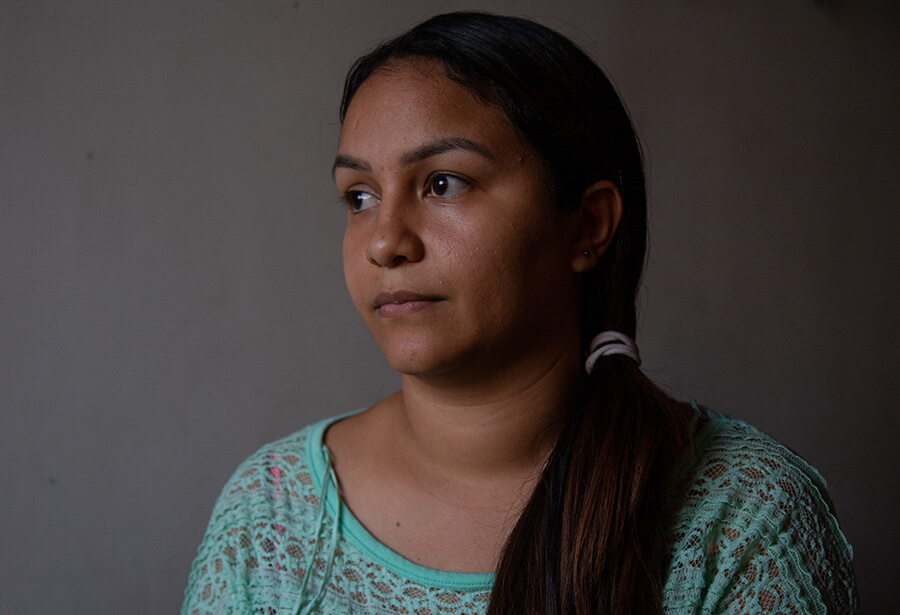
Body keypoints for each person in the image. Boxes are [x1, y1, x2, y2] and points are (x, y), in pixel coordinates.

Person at [182, 12, 858, 615]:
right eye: (359, 196)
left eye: (442, 183)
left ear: (586, 225)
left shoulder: (744, 515)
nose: (385, 240)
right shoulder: (269, 515)